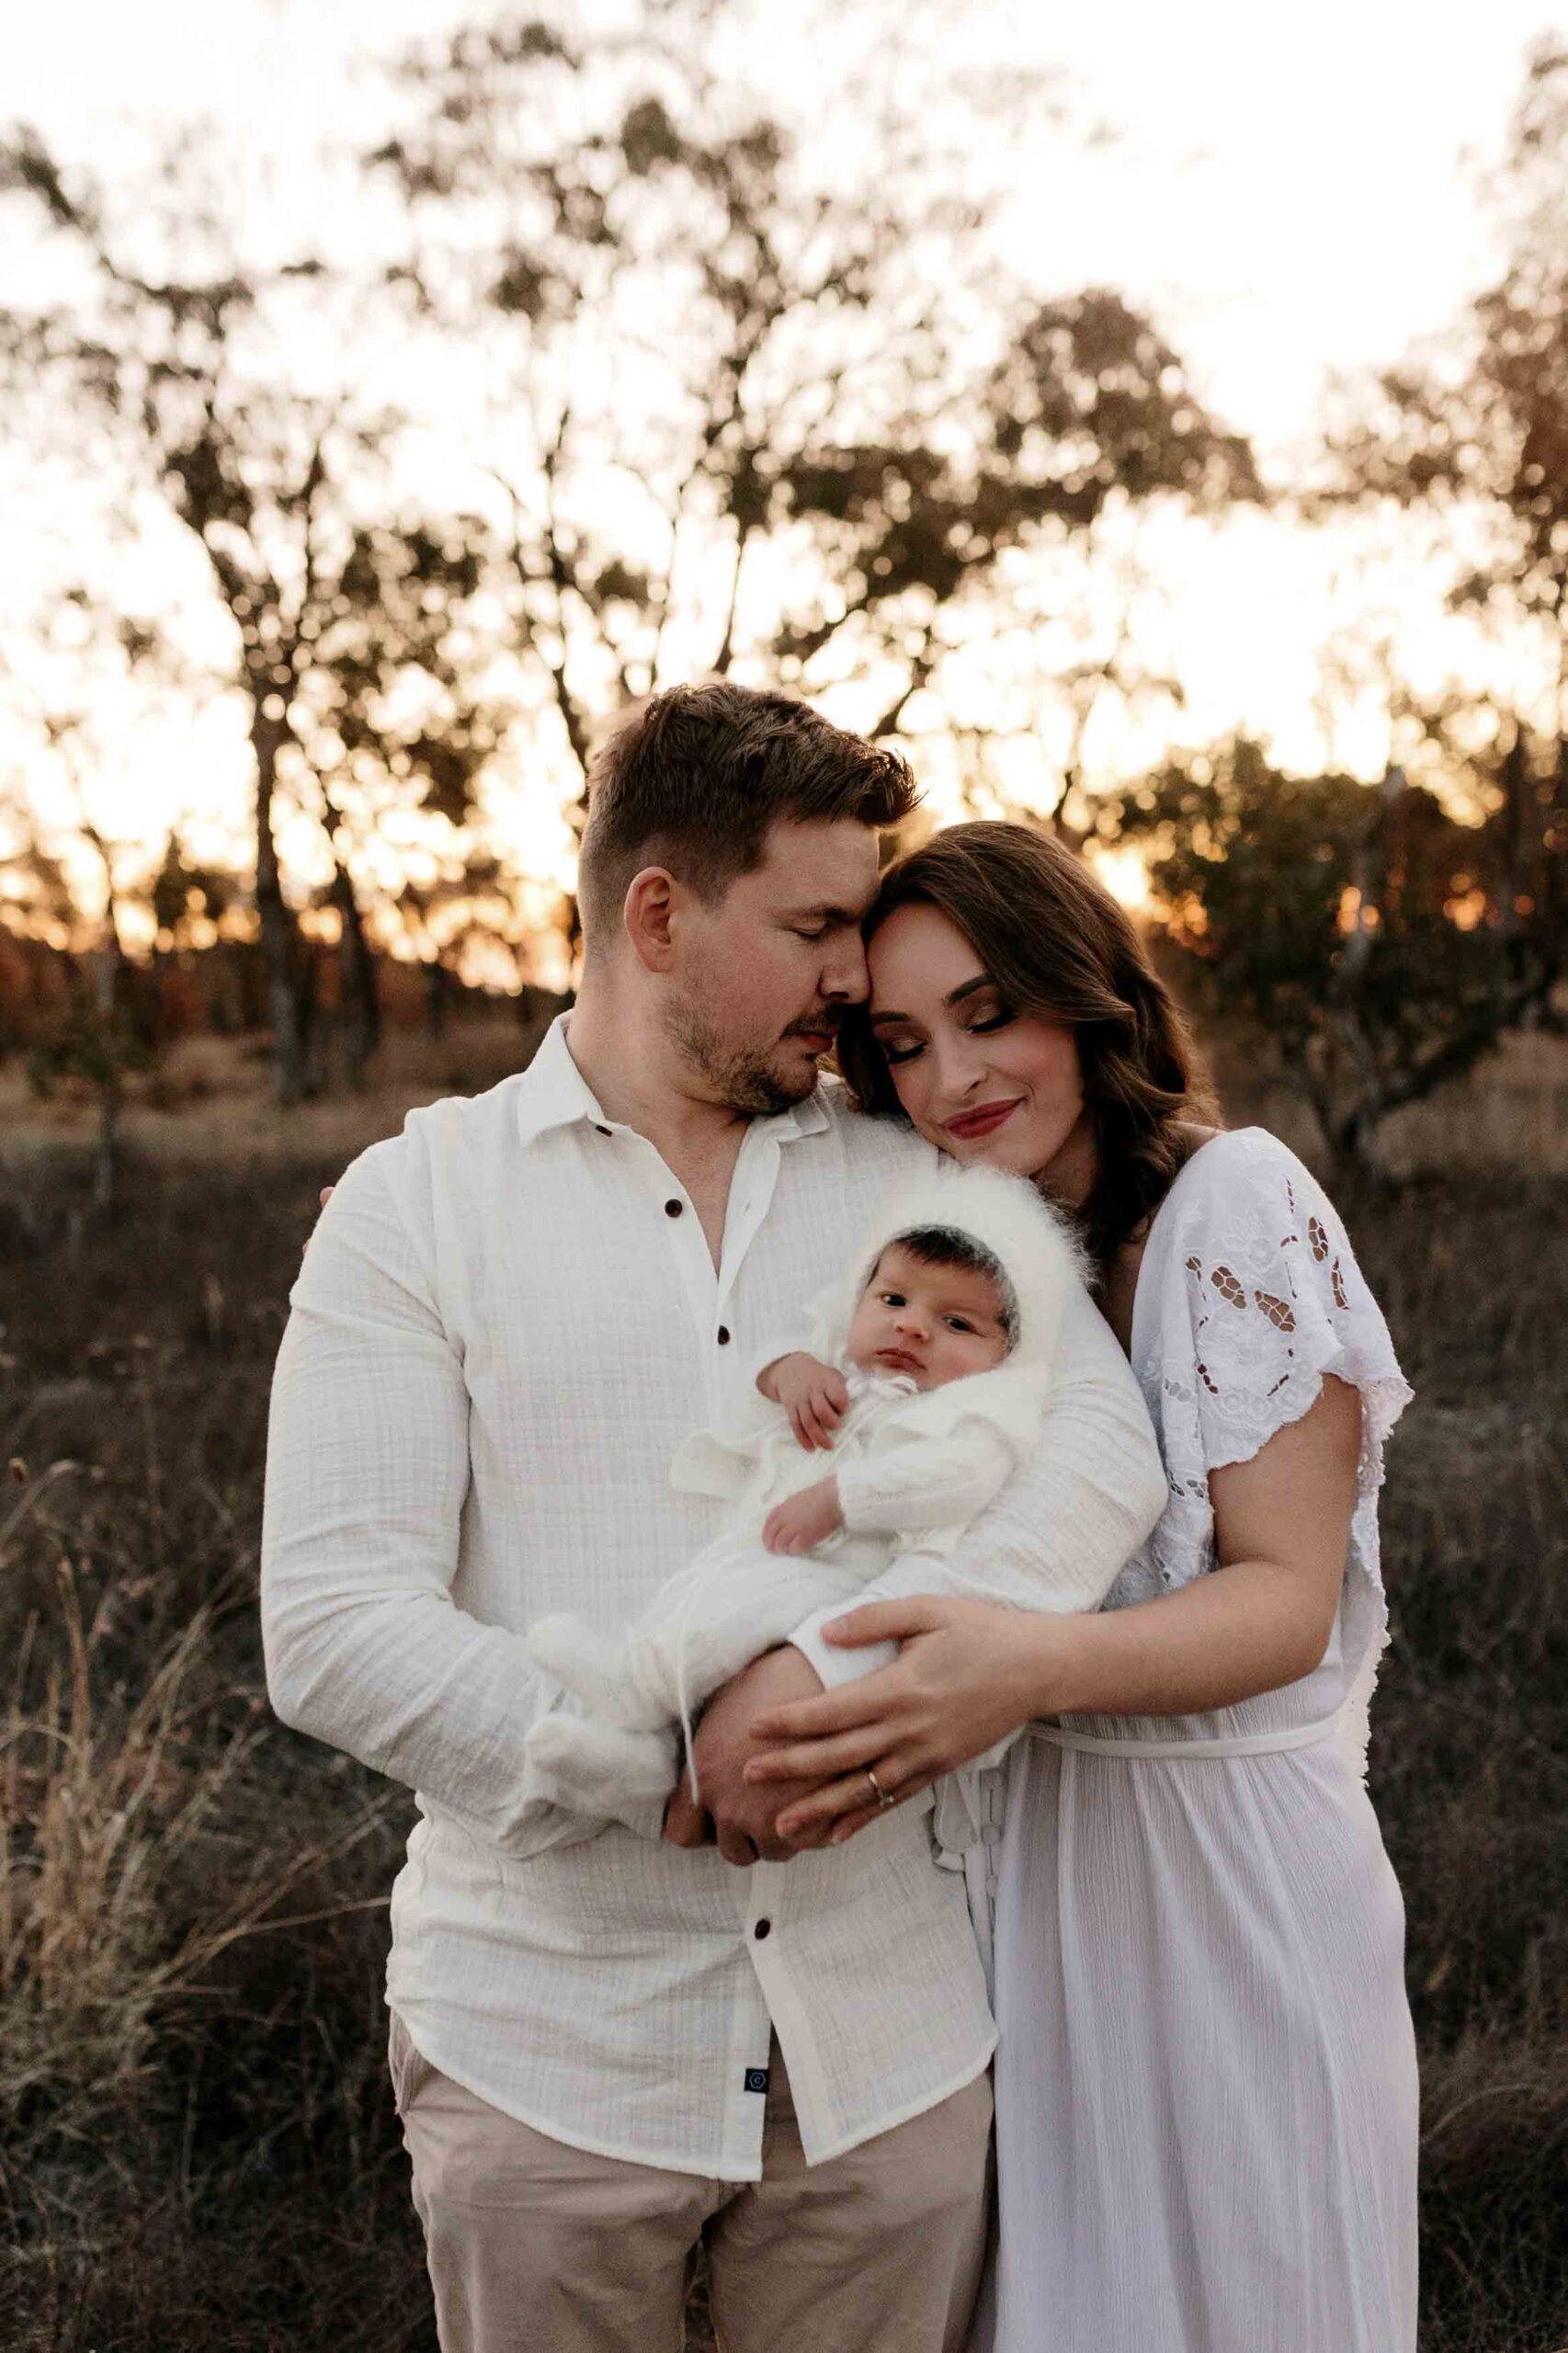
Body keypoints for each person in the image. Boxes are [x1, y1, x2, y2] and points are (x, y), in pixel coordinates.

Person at [259, 690, 1166, 2353]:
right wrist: (667, 1764)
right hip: (548, 2061)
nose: (853, 972)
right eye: (815, 923)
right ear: (659, 914)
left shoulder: (909, 1172)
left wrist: (826, 1679)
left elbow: (1095, 1448)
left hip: (884, 2058)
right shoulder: (421, 1201)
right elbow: (333, 1622)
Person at [740, 820, 1420, 2353]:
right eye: (902, 1045)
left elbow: (1284, 1598)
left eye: (990, 1014)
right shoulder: (1009, 1257)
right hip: (1041, 1876)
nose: (951, 1080)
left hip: (1231, 1883)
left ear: (1084, 988)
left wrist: (1019, 1668)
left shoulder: (1234, 1202)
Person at [520, 1164, 1093, 1824]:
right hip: (777, 1551)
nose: (913, 1329)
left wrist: (845, 1496)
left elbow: (958, 1477)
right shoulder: (840, 1362)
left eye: (957, 1324)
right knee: (698, 1594)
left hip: (852, 1574)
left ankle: (638, 1686)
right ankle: (644, 1759)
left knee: (726, 1618)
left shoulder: (985, 1410)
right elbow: (782, 1351)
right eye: (893, 1301)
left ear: (1007, 1351)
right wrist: (789, 1374)